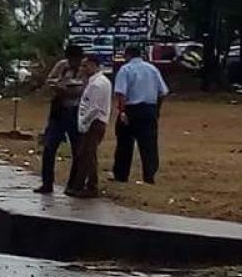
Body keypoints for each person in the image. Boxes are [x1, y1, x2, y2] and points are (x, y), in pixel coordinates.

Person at [112, 45, 170, 184]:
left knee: (124, 144)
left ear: (127, 55)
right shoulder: (152, 69)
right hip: (149, 110)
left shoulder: (126, 69)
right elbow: (162, 92)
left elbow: (121, 94)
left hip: (131, 109)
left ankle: (121, 175)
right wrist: (156, 110)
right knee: (149, 145)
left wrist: (122, 112)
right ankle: (149, 175)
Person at [34, 44, 86, 194]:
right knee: (49, 147)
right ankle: (47, 183)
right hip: (59, 110)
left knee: (77, 149)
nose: (74, 63)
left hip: (75, 111)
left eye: (76, 60)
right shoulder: (61, 66)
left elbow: (84, 88)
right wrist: (58, 86)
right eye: (71, 60)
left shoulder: (84, 69)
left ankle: (73, 184)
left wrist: (71, 90)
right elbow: (50, 81)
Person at [67, 55, 112, 198]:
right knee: (90, 155)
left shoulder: (97, 84)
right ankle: (90, 184)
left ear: (93, 66)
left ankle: (82, 186)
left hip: (93, 122)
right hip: (94, 121)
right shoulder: (97, 82)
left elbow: (94, 108)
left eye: (85, 66)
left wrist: (83, 123)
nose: (83, 69)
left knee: (85, 155)